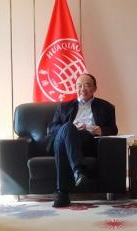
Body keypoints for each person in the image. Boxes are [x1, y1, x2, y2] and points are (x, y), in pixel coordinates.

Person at [44, 73, 118, 208]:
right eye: (79, 85)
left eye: (87, 85)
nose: (83, 89)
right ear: (75, 88)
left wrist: (101, 130)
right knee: (68, 127)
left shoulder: (106, 107)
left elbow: (113, 129)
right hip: (62, 141)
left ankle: (62, 193)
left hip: (87, 141)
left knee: (68, 133)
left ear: (94, 88)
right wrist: (70, 127)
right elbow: (52, 128)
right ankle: (78, 170)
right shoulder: (64, 106)